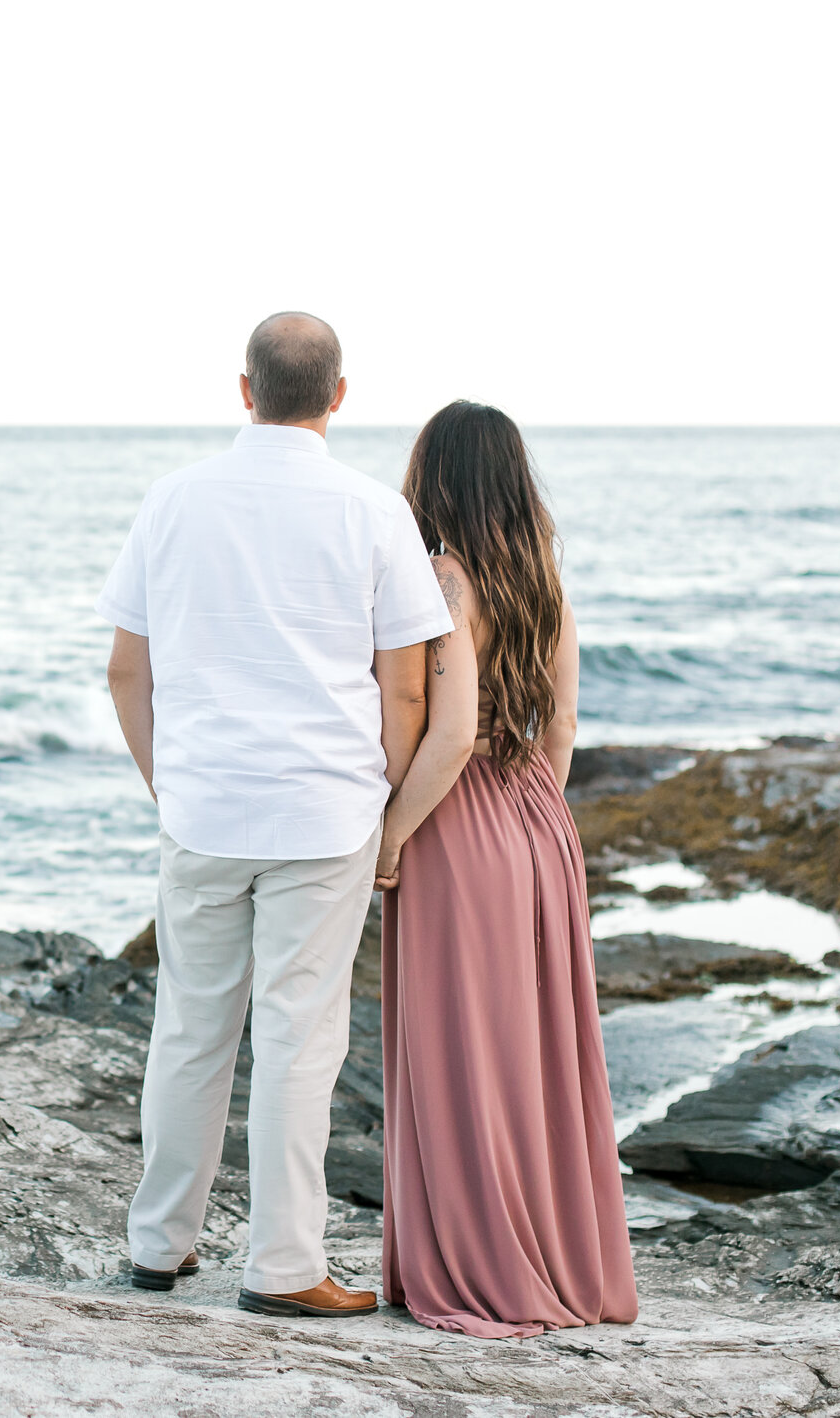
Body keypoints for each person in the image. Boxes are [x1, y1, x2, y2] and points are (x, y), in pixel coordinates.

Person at [97, 314, 451, 1319]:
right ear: (339, 395)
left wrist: (167, 779)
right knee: (299, 1039)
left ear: (242, 389)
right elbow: (409, 692)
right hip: (324, 809)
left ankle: (158, 1246)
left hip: (204, 803)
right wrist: (383, 808)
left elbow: (129, 665)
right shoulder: (374, 510)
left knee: (189, 1028)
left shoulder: (172, 499)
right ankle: (283, 1262)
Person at [375, 399, 637, 1337]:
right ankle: (562, 1259)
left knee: (460, 1053)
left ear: (435, 477)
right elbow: (561, 727)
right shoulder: (546, 580)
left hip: (462, 822)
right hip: (539, 818)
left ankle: (478, 1267)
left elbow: (447, 736)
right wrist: (534, 816)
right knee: (532, 1054)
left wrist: (396, 834)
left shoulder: (446, 578)